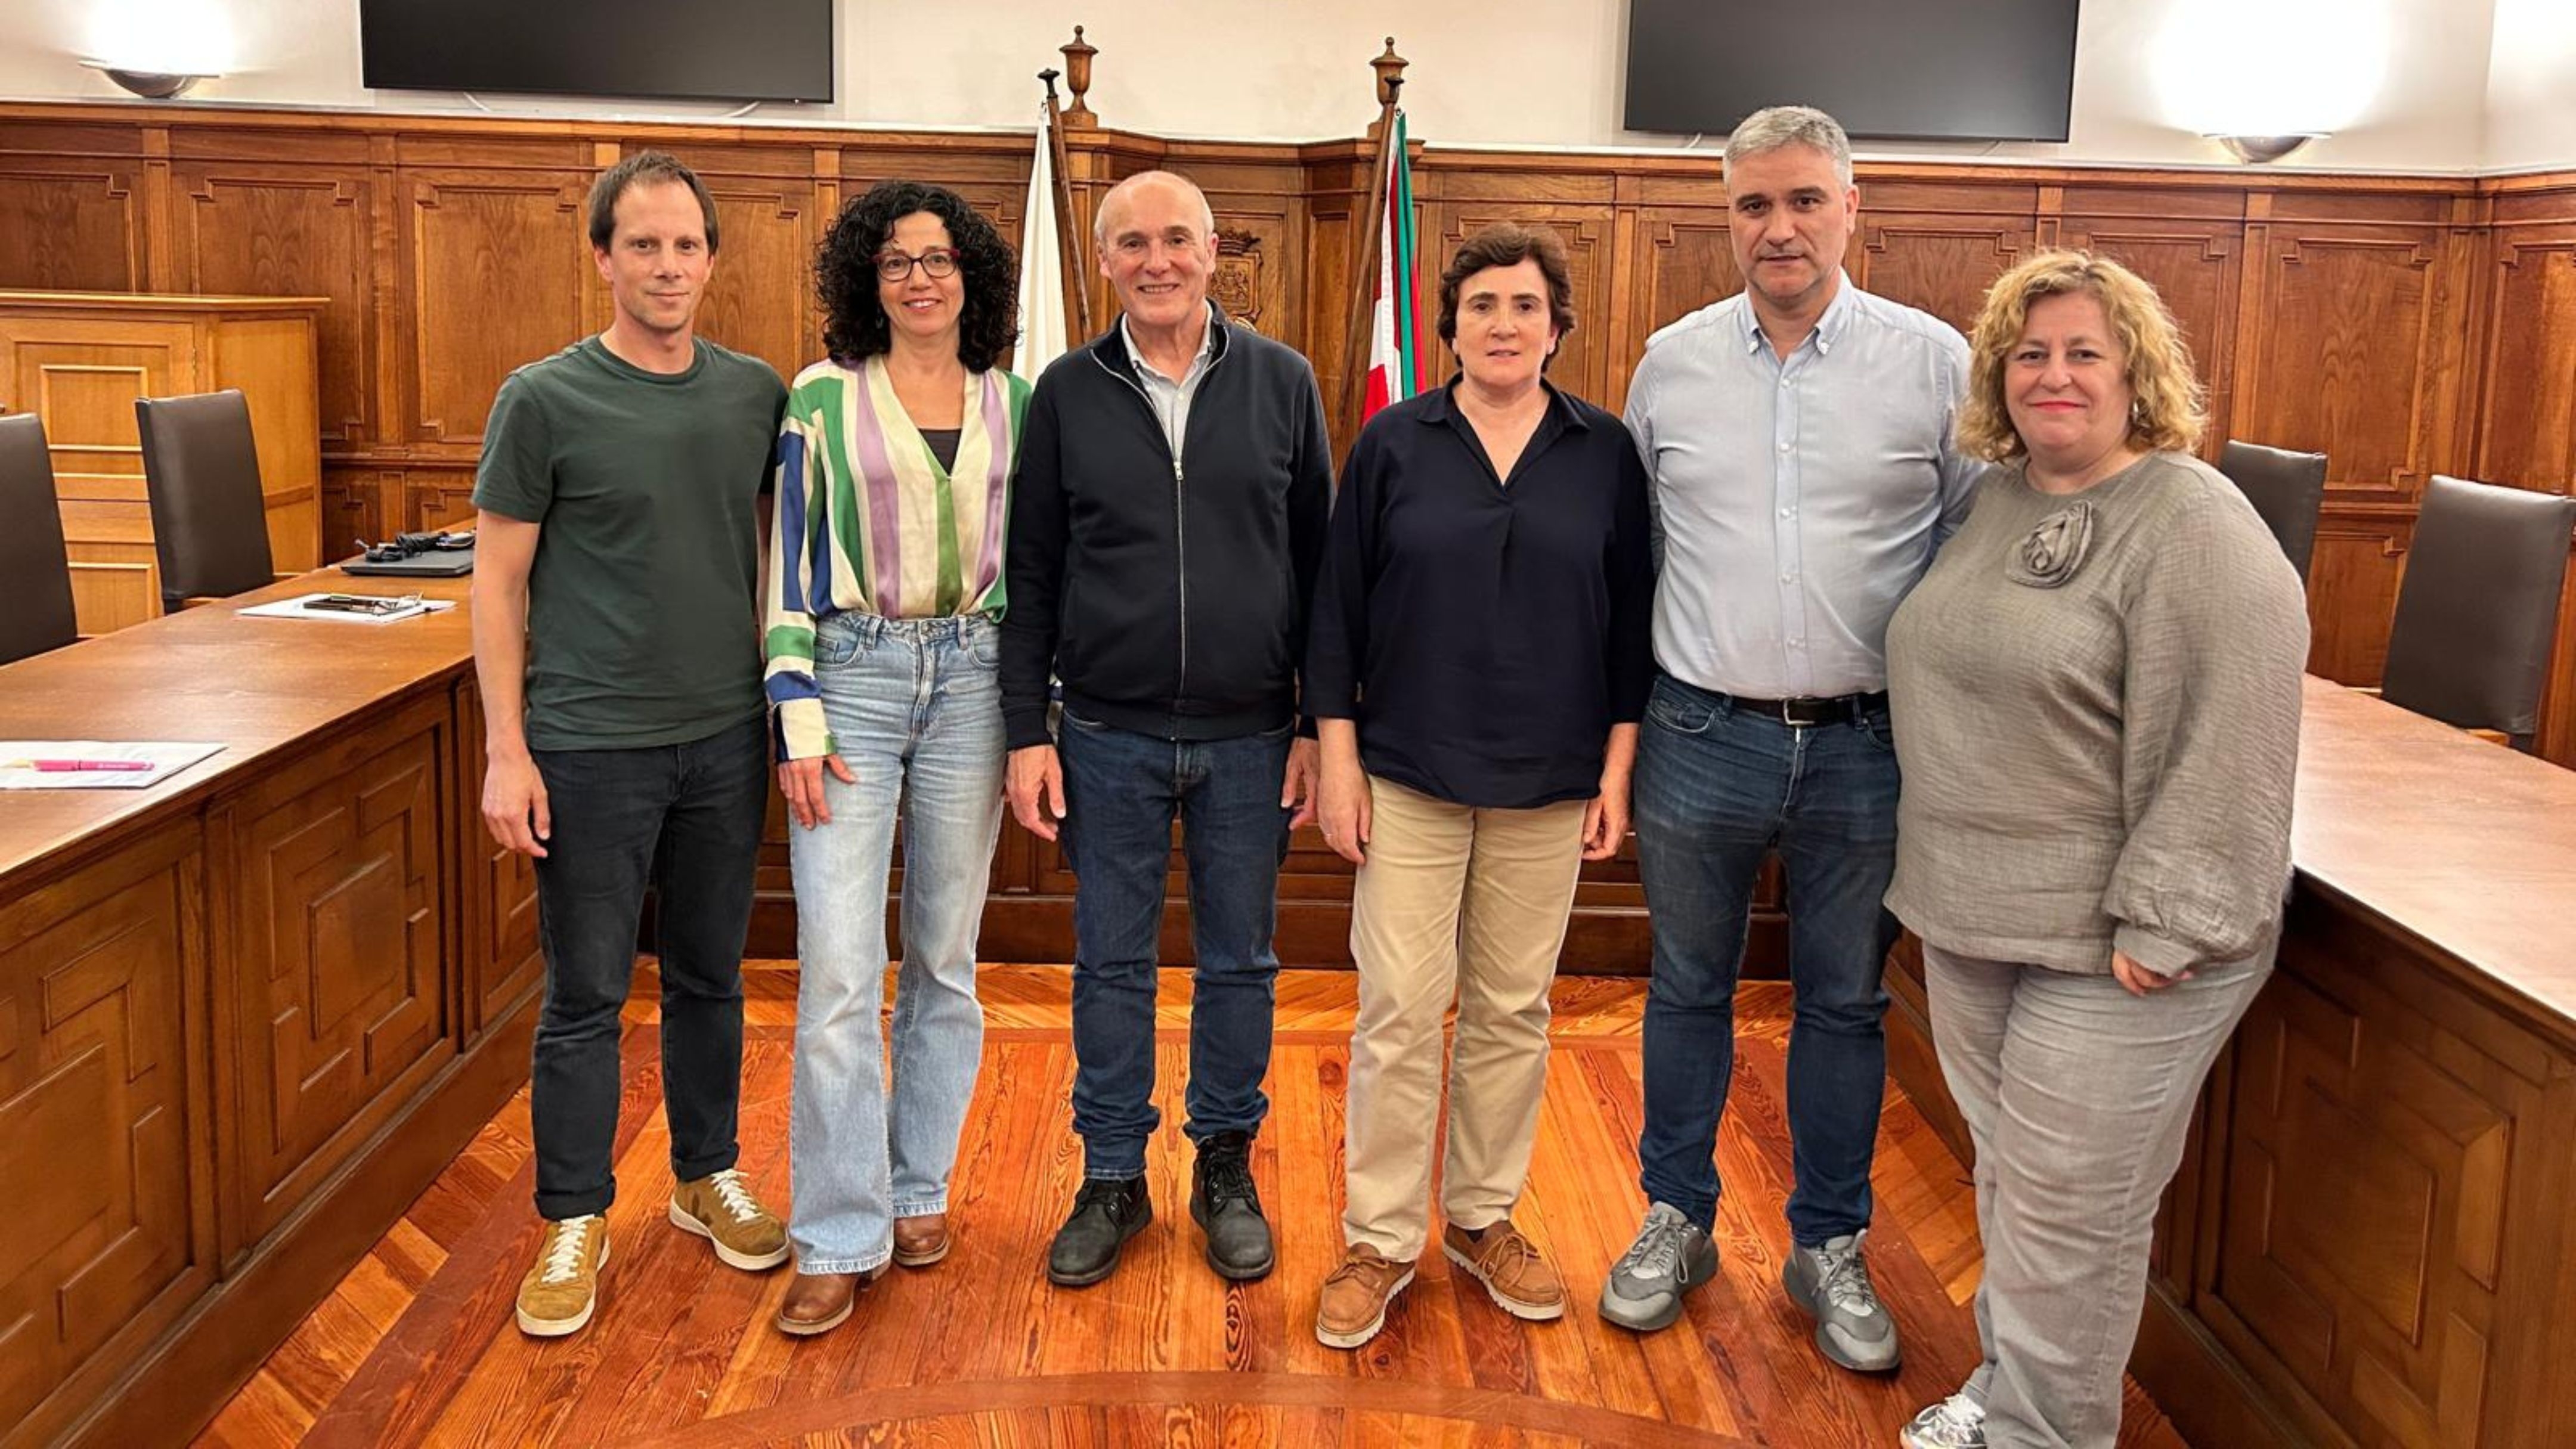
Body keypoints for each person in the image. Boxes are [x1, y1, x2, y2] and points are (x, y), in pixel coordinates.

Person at [1883, 250, 2306, 1449]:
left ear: (2137, 374)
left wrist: (2172, 917)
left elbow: (2238, 731)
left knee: (2073, 1214)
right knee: (2014, 1183)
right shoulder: (1998, 499)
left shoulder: (2193, 520)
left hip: (2121, 946)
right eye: (2030, 354)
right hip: (1976, 917)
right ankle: (2010, 1395)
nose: (2054, 375)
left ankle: (2046, 1435)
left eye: (2084, 352)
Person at [1604, 104, 1977, 1371]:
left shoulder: (1934, 364)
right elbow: (1645, 546)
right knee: (1686, 988)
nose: (1780, 227)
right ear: (1727, 216)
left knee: (1845, 1003)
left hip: (1872, 746)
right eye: (1755, 204)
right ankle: (1677, 1219)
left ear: (1851, 208)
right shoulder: (1670, 364)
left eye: (1806, 199)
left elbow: (1971, 546)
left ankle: (1829, 1243)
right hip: (1699, 732)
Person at [1305, 224, 1653, 1349]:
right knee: (1399, 1010)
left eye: (1526, 306)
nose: (1504, 324)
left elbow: (1634, 623)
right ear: (1449, 328)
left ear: (1558, 328)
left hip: (1551, 781)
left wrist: (1616, 769)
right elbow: (1336, 613)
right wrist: (1339, 760)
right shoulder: (1394, 442)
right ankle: (1380, 1237)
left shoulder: (1605, 451)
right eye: (1482, 306)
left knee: (1511, 1008)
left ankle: (1480, 1217)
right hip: (1407, 772)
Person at [473, 149, 790, 1339]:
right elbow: (496, 584)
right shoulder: (542, 399)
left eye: (686, 245)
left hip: (725, 738)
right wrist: (507, 751)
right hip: (588, 746)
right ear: (603, 257)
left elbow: (781, 553)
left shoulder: (754, 394)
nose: (668, 265)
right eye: (643, 244)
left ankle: (707, 1174)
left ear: (712, 260)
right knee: (587, 995)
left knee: (712, 976)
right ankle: (574, 1217)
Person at [999, 169, 1332, 1289]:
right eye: (1134, 242)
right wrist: (1026, 731)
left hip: (1252, 736)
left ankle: (1224, 1164)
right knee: (1110, 963)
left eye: (1178, 239)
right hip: (1105, 733)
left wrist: (1316, 726)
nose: (1158, 261)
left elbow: (1323, 568)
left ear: (1212, 251)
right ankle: (1112, 1175)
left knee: (1241, 962)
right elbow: (1032, 571)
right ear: (1104, 261)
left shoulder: (1283, 381)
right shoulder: (1066, 390)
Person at [761, 180, 1030, 1336]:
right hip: (853, 681)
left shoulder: (1018, 401)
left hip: (977, 680)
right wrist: (795, 707)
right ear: (867, 283)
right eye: (896, 263)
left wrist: (1035, 710)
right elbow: (785, 558)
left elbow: (1040, 569)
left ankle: (918, 1188)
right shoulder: (821, 396)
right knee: (836, 972)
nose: (920, 279)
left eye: (939, 259)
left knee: (944, 960)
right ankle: (836, 1230)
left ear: (971, 277)